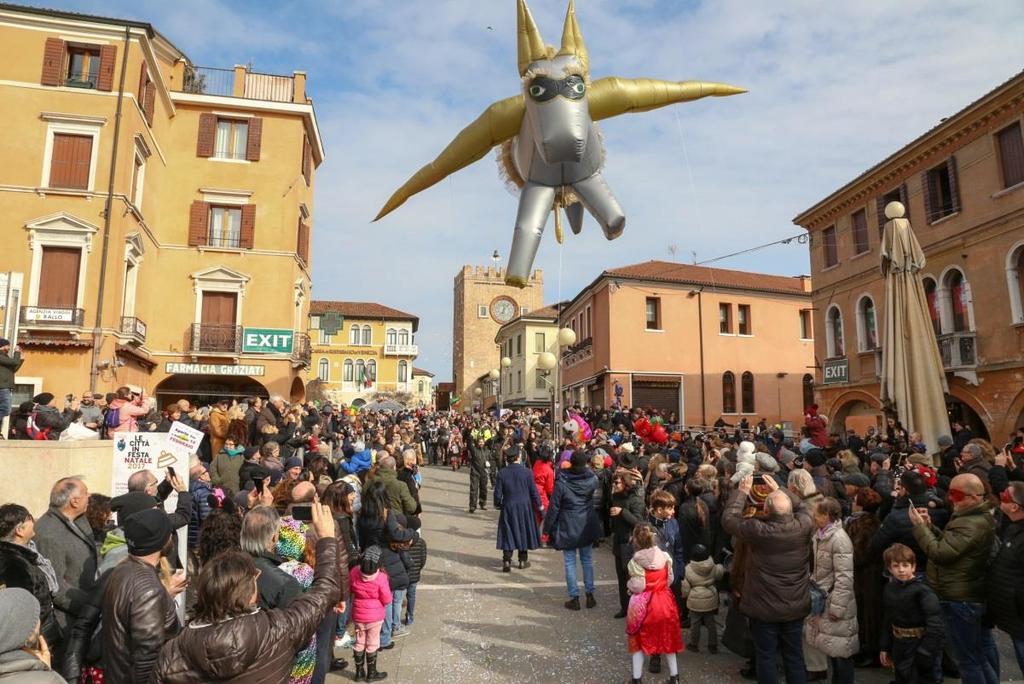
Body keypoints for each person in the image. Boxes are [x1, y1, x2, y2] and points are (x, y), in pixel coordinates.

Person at [156, 503, 341, 682]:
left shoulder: (176, 650)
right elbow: (324, 592)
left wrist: (164, 599)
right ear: (251, 594)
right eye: (253, 578)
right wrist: (326, 539)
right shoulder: (277, 630)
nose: (257, 575)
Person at [722, 473, 813, 684]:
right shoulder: (803, 526)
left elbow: (729, 520)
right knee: (794, 655)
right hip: (794, 604)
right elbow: (806, 507)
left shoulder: (758, 530)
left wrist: (742, 492)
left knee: (766, 657)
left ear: (765, 509)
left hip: (763, 607)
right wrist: (780, 489)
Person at [910, 472, 998, 684]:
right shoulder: (972, 518)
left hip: (960, 598)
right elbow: (951, 545)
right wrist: (930, 527)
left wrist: (920, 528)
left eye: (956, 494)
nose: (950, 498)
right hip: (965, 594)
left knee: (969, 661)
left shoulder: (970, 522)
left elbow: (941, 553)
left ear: (974, 497)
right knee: (977, 655)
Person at [101, 508, 186, 683]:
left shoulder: (122, 569)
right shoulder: (149, 589)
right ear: (161, 540)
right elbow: (147, 659)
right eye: (169, 533)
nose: (172, 537)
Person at [32, 477, 97, 642]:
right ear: (74, 501)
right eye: (85, 493)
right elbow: (55, 586)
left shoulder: (77, 520)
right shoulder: (49, 533)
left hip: (81, 619)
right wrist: (93, 607)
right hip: (65, 625)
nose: (89, 496)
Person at [803, 497, 858, 683]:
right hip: (826, 598)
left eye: (817, 514)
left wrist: (837, 607)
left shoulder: (839, 540)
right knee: (832, 650)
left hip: (835, 602)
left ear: (827, 516)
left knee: (841, 652)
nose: (813, 517)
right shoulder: (821, 535)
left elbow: (844, 577)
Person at [543, 451, 603, 611]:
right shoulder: (592, 479)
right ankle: (590, 595)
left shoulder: (562, 481)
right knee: (587, 560)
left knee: (570, 562)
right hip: (586, 522)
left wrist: (547, 528)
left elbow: (554, 507)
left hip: (568, 523)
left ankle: (574, 597)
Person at [357, 482, 414, 650]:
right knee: (387, 598)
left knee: (374, 598)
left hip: (369, 556)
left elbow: (362, 540)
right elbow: (396, 534)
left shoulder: (362, 516)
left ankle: (373, 635)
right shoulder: (385, 513)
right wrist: (411, 533)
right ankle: (384, 637)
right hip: (387, 557)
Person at [625, 523, 683, 684]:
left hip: (643, 605)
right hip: (665, 602)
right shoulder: (665, 557)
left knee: (637, 643)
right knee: (669, 640)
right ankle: (674, 677)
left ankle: (636, 679)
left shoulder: (635, 561)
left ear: (635, 540)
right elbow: (670, 579)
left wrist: (629, 586)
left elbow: (639, 586)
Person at [879, 543, 944, 684]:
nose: (901, 570)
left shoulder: (923, 592)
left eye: (905, 565)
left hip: (919, 645)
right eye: (896, 566)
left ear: (913, 566)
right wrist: (885, 646)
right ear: (890, 569)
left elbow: (936, 625)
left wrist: (925, 651)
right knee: (902, 677)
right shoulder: (889, 589)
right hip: (899, 645)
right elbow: (888, 619)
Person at [0, 504, 60, 648]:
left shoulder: (22, 556)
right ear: (19, 530)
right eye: (30, 518)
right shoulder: (15, 563)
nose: (34, 522)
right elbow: (22, 607)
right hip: (32, 642)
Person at [988, 481, 1024, 677]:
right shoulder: (1013, 527)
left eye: (1005, 497)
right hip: (1014, 617)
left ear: (1015, 506)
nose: (1000, 497)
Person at [493, 446, 543, 572]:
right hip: (525, 506)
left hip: (509, 505)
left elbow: (497, 494)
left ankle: (506, 560)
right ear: (518, 457)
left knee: (508, 531)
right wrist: (540, 506)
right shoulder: (527, 472)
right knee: (523, 530)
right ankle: (522, 560)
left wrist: (498, 504)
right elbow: (534, 492)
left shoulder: (502, 473)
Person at [0, 587, 65, 682]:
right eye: (34, 620)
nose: (38, 620)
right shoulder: (51, 680)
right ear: (26, 639)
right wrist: (46, 672)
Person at [349, 545, 391, 682]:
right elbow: (387, 599)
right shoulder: (381, 577)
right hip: (375, 616)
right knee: (372, 643)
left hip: (358, 613)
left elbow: (350, 589)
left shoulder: (354, 572)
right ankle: (371, 674)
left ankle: (359, 672)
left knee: (359, 642)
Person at [610, 470, 646, 619]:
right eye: (614, 482)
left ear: (625, 483)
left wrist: (622, 512)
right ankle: (624, 607)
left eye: (617, 482)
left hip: (630, 543)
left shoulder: (636, 500)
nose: (614, 485)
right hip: (619, 541)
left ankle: (636, 607)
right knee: (621, 577)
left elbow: (639, 522)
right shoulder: (614, 497)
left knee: (633, 577)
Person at [680, 543, 723, 654]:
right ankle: (713, 645)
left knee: (695, 624)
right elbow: (719, 574)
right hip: (710, 598)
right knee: (710, 623)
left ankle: (694, 644)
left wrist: (685, 596)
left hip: (695, 600)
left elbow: (685, 588)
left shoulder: (688, 569)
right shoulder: (712, 564)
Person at [0, 339, 22, 431]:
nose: (9, 348)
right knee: (6, 409)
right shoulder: (0, 356)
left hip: (5, 387)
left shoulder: (4, 357)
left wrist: (21, 360)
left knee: (2, 410)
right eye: (7, 346)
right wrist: (17, 353)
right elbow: (14, 362)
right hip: (3, 387)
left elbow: (13, 369)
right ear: (2, 346)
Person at [468, 435, 491, 513]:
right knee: (474, 489)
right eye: (479, 442)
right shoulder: (474, 450)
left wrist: (489, 466)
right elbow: (469, 443)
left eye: (482, 442)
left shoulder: (487, 451)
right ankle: (472, 506)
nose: (481, 443)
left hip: (484, 472)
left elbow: (490, 460)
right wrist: (469, 432)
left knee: (483, 489)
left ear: (484, 442)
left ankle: (482, 503)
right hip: (475, 472)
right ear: (477, 443)